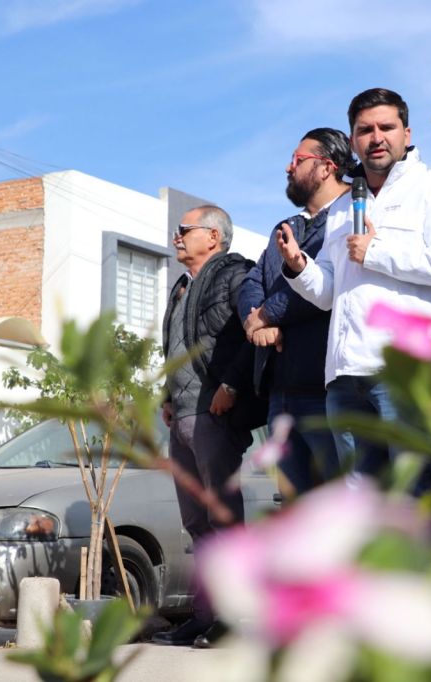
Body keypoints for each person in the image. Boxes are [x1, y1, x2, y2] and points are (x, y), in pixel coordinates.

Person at [277, 88, 431, 481]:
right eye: (365, 130)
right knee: (363, 507)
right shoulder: (340, 207)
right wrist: (298, 265)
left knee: (415, 497)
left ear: (407, 132)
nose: (376, 137)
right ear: (353, 140)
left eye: (386, 127)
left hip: (407, 372)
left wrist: (377, 252)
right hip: (345, 375)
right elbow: (327, 294)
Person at [153, 205, 256, 648]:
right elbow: (174, 349)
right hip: (183, 416)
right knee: (197, 522)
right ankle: (204, 614)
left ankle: (236, 618)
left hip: (214, 413)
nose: (177, 236)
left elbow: (252, 332)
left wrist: (231, 384)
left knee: (224, 519)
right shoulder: (181, 287)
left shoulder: (235, 275)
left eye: (185, 230)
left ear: (212, 237)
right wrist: (166, 398)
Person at [237, 128, 352, 494]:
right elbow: (251, 283)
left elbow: (325, 286)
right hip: (279, 392)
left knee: (340, 503)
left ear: (325, 168)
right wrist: (253, 322)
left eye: (298, 160)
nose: (289, 167)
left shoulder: (351, 216)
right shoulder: (287, 227)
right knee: (296, 510)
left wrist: (268, 315)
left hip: (326, 389)